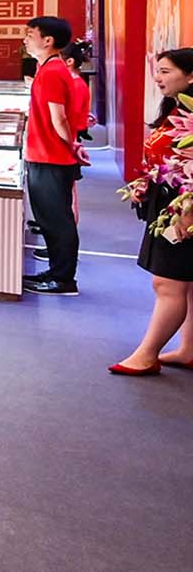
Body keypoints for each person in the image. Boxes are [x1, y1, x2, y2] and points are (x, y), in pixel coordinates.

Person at [110, 48, 193, 374]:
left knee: (167, 283)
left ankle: (147, 355)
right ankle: (187, 349)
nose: (158, 78)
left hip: (183, 209)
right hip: (169, 202)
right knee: (185, 283)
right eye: (157, 71)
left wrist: (187, 211)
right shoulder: (175, 110)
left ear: (190, 76)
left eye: (166, 71)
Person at [22, 16, 83, 296]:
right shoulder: (48, 68)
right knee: (49, 219)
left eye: (30, 34)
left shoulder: (51, 72)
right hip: (46, 155)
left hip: (51, 157)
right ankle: (57, 271)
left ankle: (63, 279)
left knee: (57, 221)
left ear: (48, 41)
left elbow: (59, 118)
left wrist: (71, 146)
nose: (25, 40)